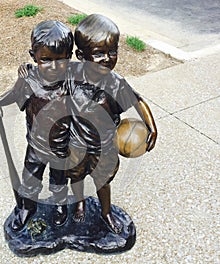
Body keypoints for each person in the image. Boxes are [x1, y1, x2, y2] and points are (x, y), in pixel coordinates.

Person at [65, 14, 157, 233]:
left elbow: (138, 101)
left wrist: (151, 126)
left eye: (113, 51)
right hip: (76, 143)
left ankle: (106, 212)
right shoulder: (70, 77)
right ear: (81, 55)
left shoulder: (115, 83)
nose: (108, 58)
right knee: (76, 177)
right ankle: (79, 201)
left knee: (103, 182)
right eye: (99, 54)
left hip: (106, 145)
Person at [0, 20, 74, 230]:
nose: (53, 66)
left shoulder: (71, 81)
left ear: (69, 57)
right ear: (33, 56)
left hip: (62, 147)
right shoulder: (30, 80)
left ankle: (60, 205)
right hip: (35, 146)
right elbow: (13, 95)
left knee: (59, 180)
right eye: (45, 60)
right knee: (30, 179)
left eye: (60, 60)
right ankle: (27, 207)